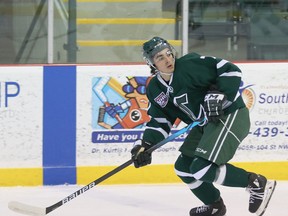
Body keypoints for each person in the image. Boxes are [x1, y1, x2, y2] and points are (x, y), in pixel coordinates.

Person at [130, 36, 276, 216]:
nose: (168, 59)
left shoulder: (189, 65)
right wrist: (145, 145)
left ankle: (256, 183)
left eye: (168, 53)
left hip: (229, 114)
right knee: (183, 167)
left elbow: (230, 70)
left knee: (201, 168)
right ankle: (215, 206)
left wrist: (220, 93)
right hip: (206, 123)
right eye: (160, 57)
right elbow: (161, 120)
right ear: (152, 64)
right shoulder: (155, 89)